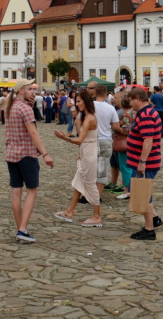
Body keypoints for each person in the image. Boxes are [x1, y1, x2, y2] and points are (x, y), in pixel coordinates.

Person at [4, 79, 54, 243]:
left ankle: (20, 229)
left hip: (12, 154)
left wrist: (30, 106)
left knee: (16, 192)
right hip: (26, 154)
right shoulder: (24, 109)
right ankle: (23, 229)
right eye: (30, 89)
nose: (33, 92)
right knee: (31, 191)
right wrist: (45, 154)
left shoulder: (10, 107)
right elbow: (33, 133)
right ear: (21, 91)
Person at [53, 90, 103, 228]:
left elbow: (80, 140)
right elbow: (84, 139)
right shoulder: (87, 117)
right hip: (87, 152)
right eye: (76, 101)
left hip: (89, 153)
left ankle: (97, 216)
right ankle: (69, 211)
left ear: (86, 102)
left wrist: (65, 138)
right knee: (79, 183)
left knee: (90, 183)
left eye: (79, 101)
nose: (77, 104)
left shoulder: (90, 118)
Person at [126, 87, 163, 240]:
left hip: (145, 162)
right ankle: (154, 219)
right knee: (146, 193)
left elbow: (148, 141)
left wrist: (142, 162)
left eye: (131, 101)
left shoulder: (146, 115)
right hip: (146, 161)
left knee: (144, 195)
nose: (130, 104)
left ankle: (149, 229)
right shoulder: (147, 112)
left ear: (137, 99)